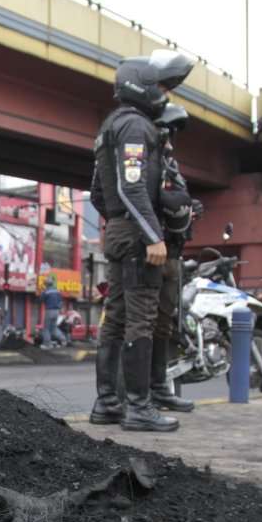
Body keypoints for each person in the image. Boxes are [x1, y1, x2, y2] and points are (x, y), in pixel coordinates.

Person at [89, 49, 194, 433]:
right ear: (143, 86)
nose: (165, 94)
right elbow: (131, 186)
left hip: (119, 231)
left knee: (115, 320)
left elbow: (99, 193)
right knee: (141, 320)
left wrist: (117, 222)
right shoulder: (135, 126)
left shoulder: (111, 127)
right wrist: (152, 234)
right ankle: (139, 407)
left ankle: (108, 404)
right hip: (137, 236)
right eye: (162, 87)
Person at [148, 102, 199, 413]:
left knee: (163, 327)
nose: (170, 141)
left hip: (173, 255)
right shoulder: (146, 161)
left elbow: (178, 203)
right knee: (141, 325)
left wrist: (191, 208)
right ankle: (138, 396)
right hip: (153, 252)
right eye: (167, 133)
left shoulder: (170, 165)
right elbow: (138, 199)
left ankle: (158, 389)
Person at [40, 274, 68, 349]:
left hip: (49, 311)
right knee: (54, 328)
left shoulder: (46, 291)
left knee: (46, 328)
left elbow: (40, 300)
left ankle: (47, 344)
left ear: (46, 284)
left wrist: (42, 292)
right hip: (57, 311)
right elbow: (60, 301)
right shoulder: (57, 291)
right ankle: (63, 339)